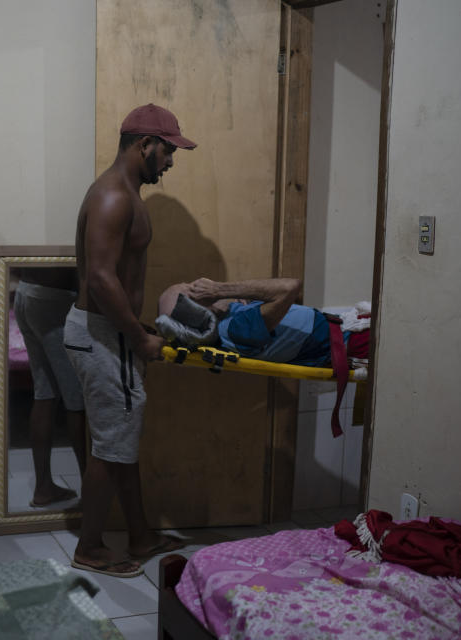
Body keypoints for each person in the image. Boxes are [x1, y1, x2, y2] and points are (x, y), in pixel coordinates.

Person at [62, 104, 197, 578]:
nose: (171, 161)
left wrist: (137, 330)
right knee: (110, 444)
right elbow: (100, 278)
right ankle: (90, 548)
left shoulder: (123, 193)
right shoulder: (113, 197)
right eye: (168, 150)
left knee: (119, 438)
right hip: (104, 334)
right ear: (144, 145)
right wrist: (138, 339)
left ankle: (139, 534)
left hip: (111, 333)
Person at [156, 277, 369, 367]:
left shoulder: (229, 318)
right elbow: (290, 287)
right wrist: (218, 289)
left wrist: (225, 297)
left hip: (350, 328)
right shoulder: (234, 329)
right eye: (192, 289)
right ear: (195, 311)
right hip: (356, 340)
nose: (199, 283)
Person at [12, 267, 87, 507]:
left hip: (26, 292)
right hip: (55, 297)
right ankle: (93, 491)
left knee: (45, 393)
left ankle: (44, 487)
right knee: (77, 400)